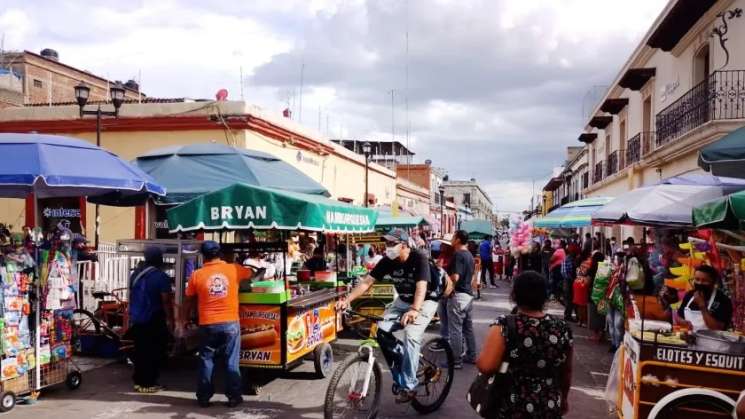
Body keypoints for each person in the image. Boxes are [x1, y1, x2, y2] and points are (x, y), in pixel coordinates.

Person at [336, 229, 439, 403]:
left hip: (425, 300)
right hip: (403, 300)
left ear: (404, 245)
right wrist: (347, 300)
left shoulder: (419, 258)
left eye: (392, 244)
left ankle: (409, 385)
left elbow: (421, 287)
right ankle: (403, 362)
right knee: (381, 331)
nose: (388, 247)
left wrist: (414, 309)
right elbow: (367, 282)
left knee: (412, 336)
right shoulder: (387, 261)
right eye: (387, 243)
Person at [476, 271, 573, 418]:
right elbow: (566, 371)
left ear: (514, 295)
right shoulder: (562, 328)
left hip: (511, 404)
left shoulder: (505, 325)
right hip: (548, 405)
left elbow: (486, 365)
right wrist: (563, 399)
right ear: (544, 297)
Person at [184, 241, 255, 408]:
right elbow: (251, 273)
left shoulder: (196, 274)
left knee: (206, 360)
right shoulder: (233, 269)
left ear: (203, 256)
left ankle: (203, 397)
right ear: (220, 253)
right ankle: (234, 397)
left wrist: (184, 319)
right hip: (230, 323)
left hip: (207, 324)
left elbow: (188, 300)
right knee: (231, 360)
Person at [128, 246, 173, 393]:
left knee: (140, 351)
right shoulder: (161, 277)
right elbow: (166, 301)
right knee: (154, 352)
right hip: (154, 319)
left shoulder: (135, 275)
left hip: (137, 318)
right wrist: (170, 320)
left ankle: (139, 382)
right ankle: (149, 383)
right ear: (159, 259)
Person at [447, 230, 477, 369]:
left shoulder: (458, 254)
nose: (452, 239)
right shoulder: (469, 255)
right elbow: (472, 277)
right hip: (468, 295)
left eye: (453, 237)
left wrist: (448, 285)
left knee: (456, 329)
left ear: (458, 240)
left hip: (458, 295)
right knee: (467, 328)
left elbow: (456, 277)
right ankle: (471, 355)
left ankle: (456, 360)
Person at [674, 265, 732, 331]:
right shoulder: (690, 295)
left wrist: (702, 306)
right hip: (689, 338)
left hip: (711, 340)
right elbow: (679, 316)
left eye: (704, 281)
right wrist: (684, 322)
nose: (700, 283)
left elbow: (717, 328)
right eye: (697, 279)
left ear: (713, 282)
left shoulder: (723, 300)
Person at [560, 240, 575, 322]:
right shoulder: (569, 259)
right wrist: (571, 279)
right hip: (568, 282)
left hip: (566, 281)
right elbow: (565, 272)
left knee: (568, 299)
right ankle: (567, 315)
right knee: (568, 299)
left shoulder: (567, 258)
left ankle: (567, 315)